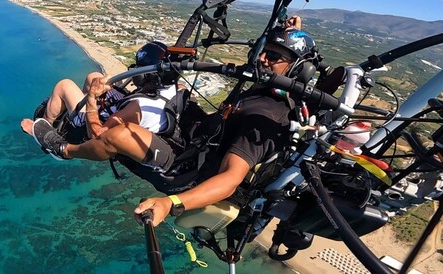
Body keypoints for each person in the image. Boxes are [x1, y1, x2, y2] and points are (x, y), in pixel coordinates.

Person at [134, 19, 321, 226]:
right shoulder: (271, 91)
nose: (261, 58)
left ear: (296, 69)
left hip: (189, 167)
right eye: (261, 51)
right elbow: (288, 66)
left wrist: (171, 203)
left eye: (273, 56)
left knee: (116, 135)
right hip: (203, 135)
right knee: (176, 89)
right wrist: (294, 35)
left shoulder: (266, 118)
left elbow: (231, 178)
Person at [21, 41, 180, 161]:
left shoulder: (136, 108)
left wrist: (91, 99)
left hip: (94, 126)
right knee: (94, 76)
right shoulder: (176, 88)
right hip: (123, 109)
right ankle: (74, 105)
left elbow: (97, 135)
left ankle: (47, 126)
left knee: (64, 85)